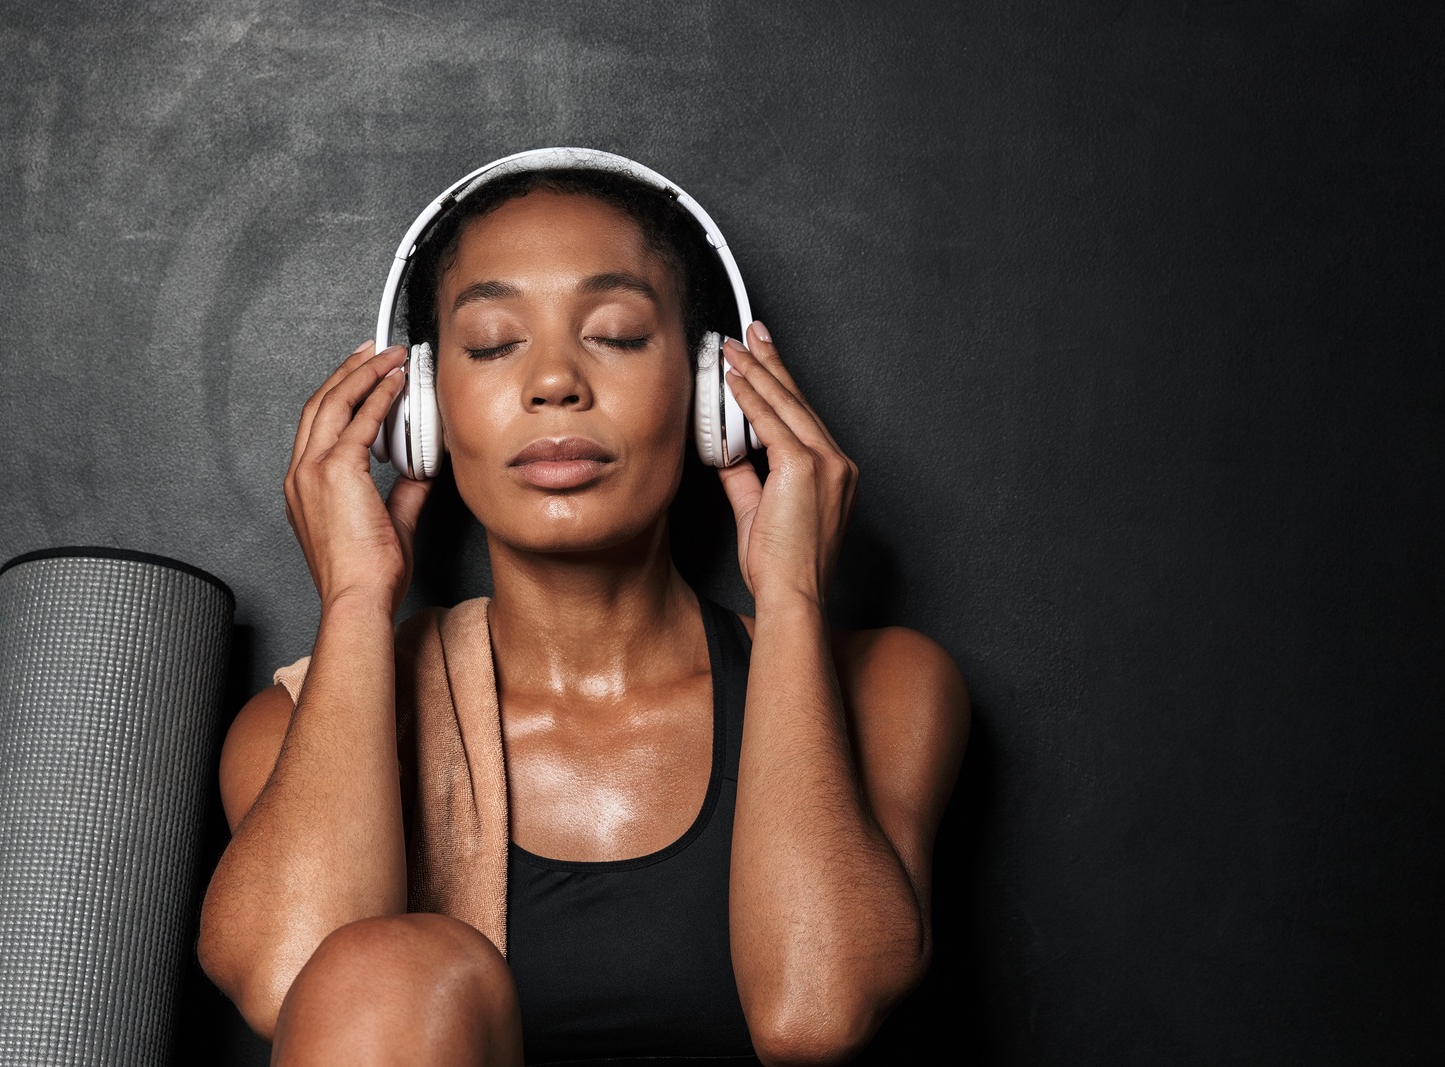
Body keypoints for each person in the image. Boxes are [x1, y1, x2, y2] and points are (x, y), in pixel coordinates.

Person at [196, 160, 970, 1066]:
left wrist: (792, 599)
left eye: (616, 334)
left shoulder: (886, 689)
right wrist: (359, 602)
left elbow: (816, 1009)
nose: (555, 382)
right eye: (490, 344)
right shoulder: (289, 730)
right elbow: (296, 984)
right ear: (423, 411)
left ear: (715, 388)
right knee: (386, 967)